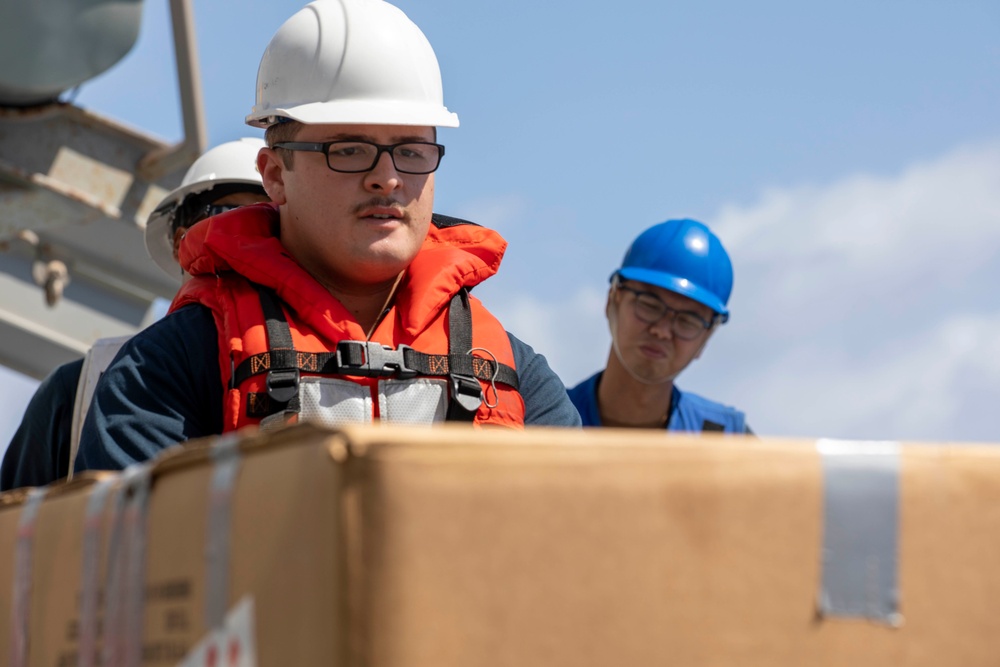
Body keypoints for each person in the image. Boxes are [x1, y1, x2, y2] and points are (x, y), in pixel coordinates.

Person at [75, 0, 580, 472]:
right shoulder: (173, 366)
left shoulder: (516, 374)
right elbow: (133, 559)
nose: (387, 177)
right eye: (350, 150)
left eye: (411, 150)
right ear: (274, 174)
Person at [0, 138, 270, 490]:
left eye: (268, 224)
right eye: (227, 217)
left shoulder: (339, 372)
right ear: (179, 241)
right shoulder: (77, 387)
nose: (245, 239)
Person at [567, 219, 750, 433]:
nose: (662, 331)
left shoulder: (723, 438)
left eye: (687, 321)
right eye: (649, 305)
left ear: (706, 337)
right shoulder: (542, 420)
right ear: (612, 300)